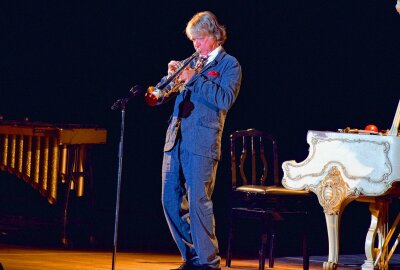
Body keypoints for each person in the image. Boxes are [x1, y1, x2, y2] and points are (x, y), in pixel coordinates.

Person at [155, 11, 242, 270]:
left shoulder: (229, 65)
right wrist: (168, 79)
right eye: (193, 40)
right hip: (176, 138)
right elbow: (161, 96)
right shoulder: (190, 62)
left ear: (214, 36)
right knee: (169, 198)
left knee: (197, 202)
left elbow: (224, 99)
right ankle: (192, 256)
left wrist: (194, 78)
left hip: (203, 141)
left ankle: (208, 262)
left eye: (200, 39)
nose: (196, 45)